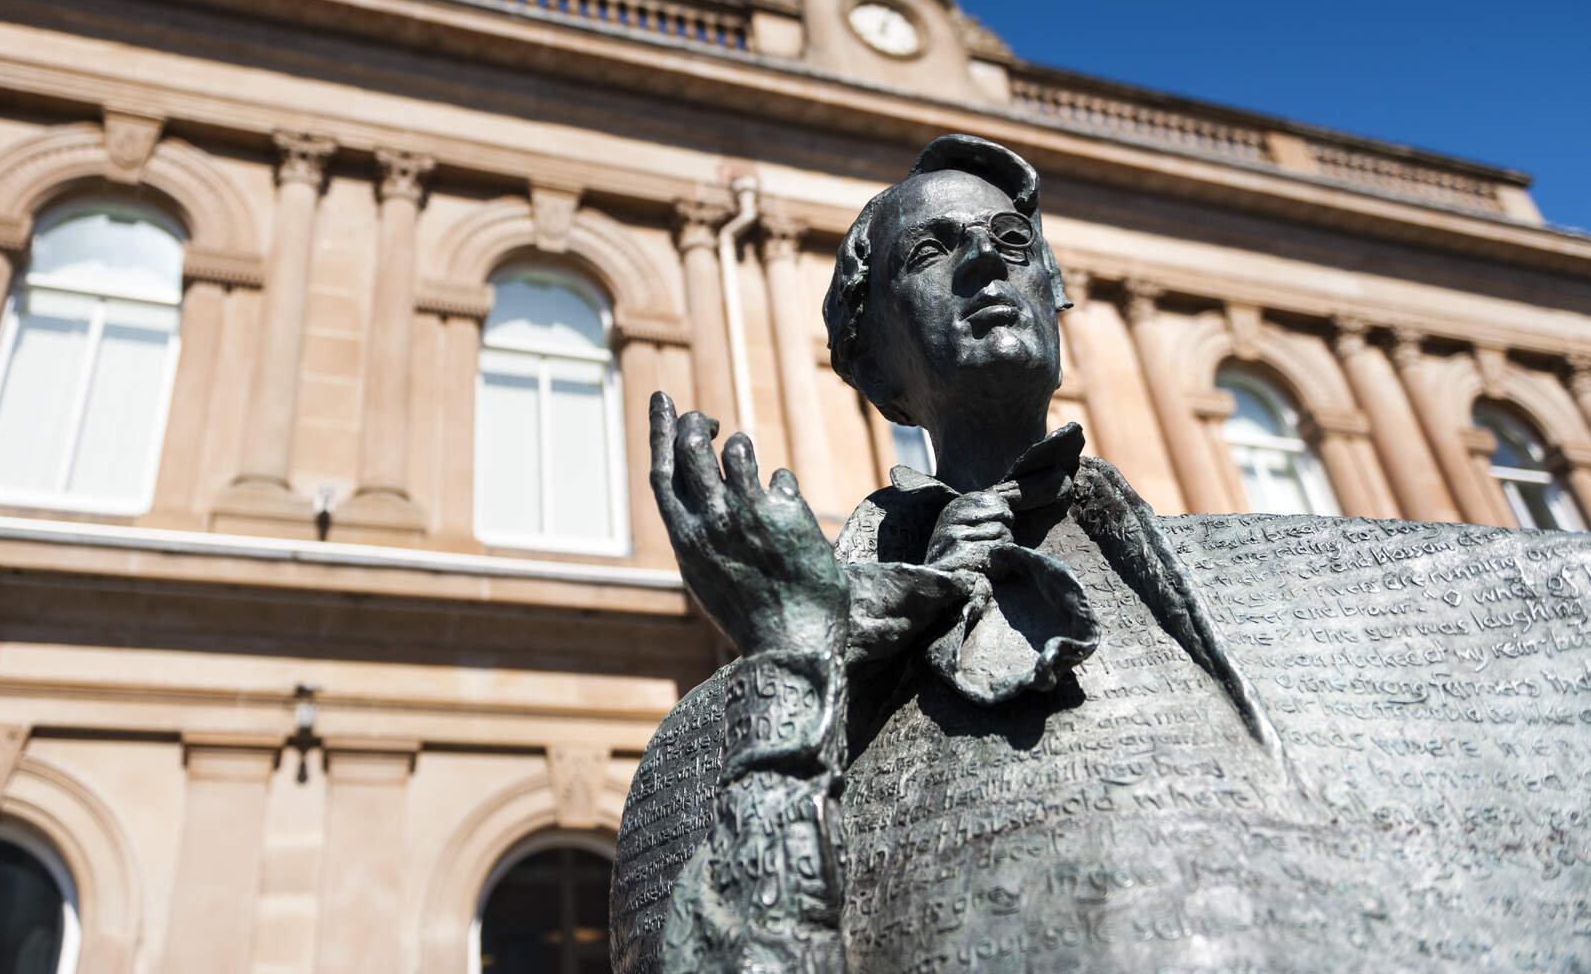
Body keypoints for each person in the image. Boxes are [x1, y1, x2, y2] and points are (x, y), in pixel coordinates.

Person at [610, 135, 1591, 973]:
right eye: (933, 251)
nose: (987, 267)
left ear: (1055, 292)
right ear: (869, 357)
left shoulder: (1369, 607)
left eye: (1012, 245)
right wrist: (789, 658)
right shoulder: (730, 723)